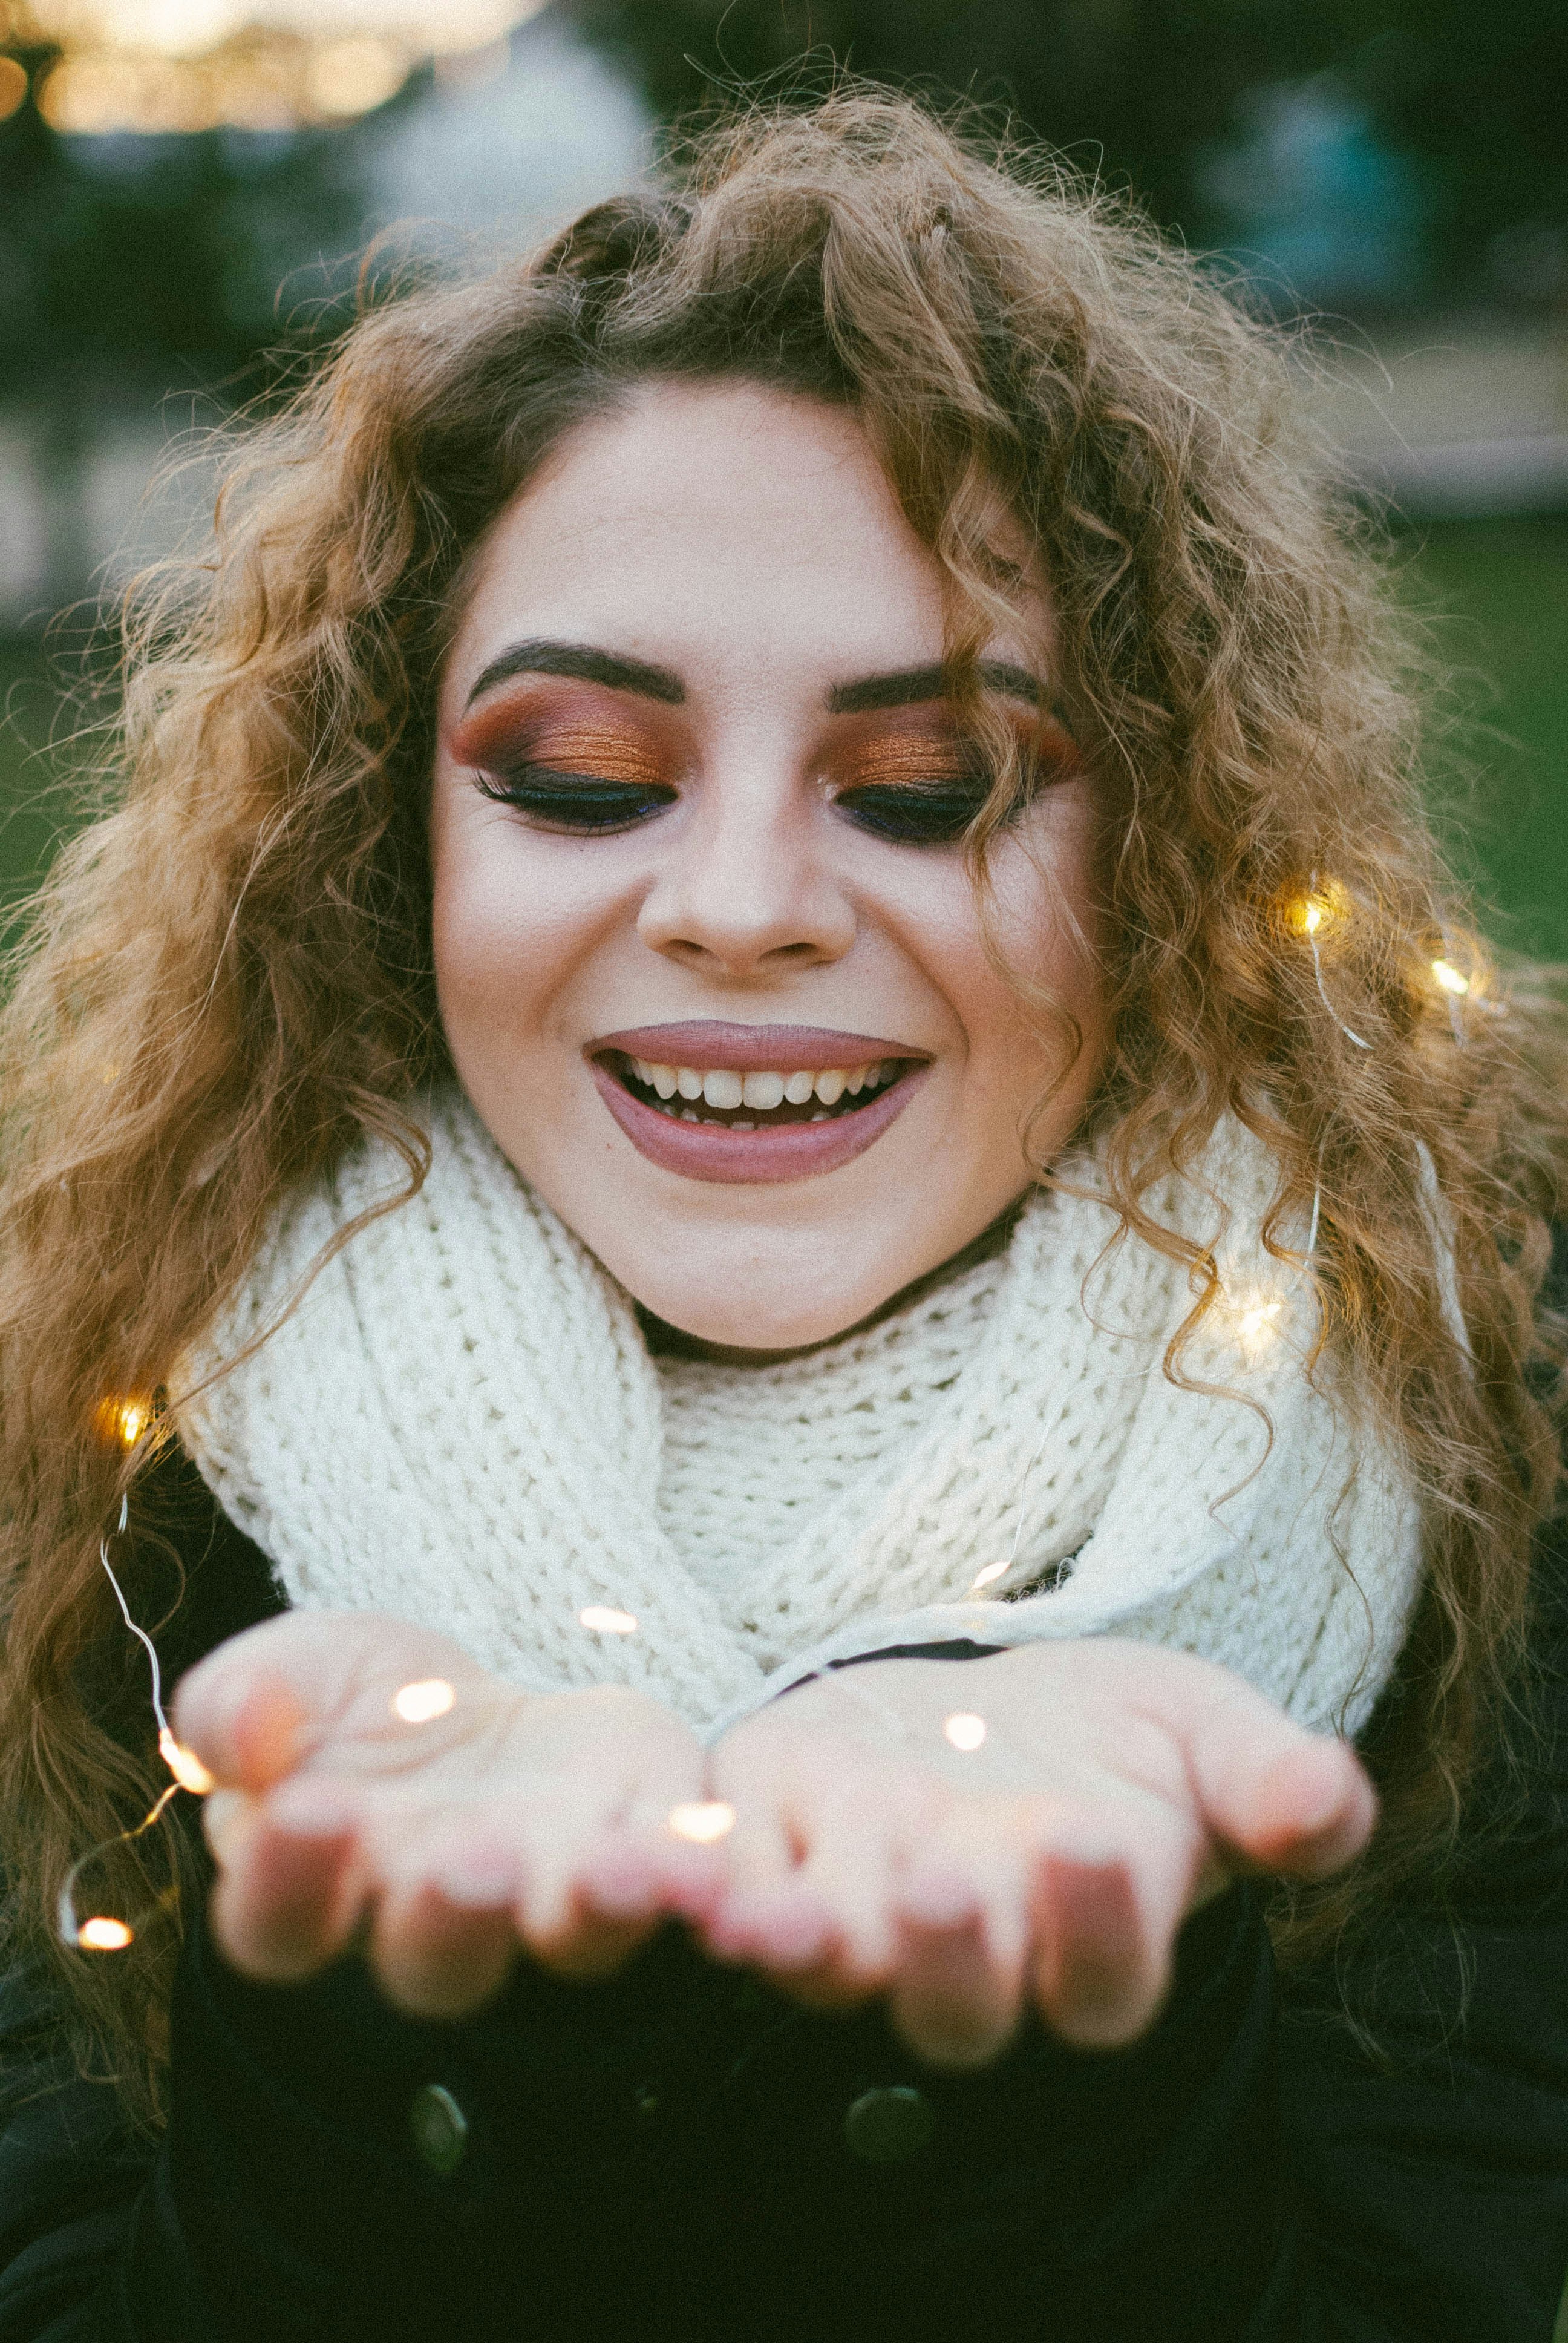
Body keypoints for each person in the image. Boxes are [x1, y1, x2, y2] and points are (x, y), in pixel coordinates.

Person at [0, 89, 1563, 2343]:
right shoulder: (89, 1458)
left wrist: (1022, 2070)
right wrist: (405, 2068)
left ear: (1170, 855)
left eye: (929, 788)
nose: (737, 909)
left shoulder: (1481, 1416)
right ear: (385, 853)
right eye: (584, 781)